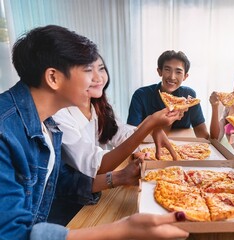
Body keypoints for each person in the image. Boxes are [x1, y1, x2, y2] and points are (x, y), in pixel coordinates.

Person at [0, 25, 188, 240]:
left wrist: (119, 177)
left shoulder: (47, 122)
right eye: (87, 71)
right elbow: (12, 234)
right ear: (53, 78)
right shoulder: (5, 132)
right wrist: (118, 231)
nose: (96, 80)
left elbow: (61, 182)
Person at [48, 55, 180, 225]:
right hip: (68, 209)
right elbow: (96, 165)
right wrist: (149, 124)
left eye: (101, 68)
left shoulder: (97, 104)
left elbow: (120, 133)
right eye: (88, 70)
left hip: (99, 193)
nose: (98, 77)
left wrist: (153, 129)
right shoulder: (59, 115)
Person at [127, 50, 209, 139]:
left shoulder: (189, 95)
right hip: (147, 148)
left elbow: (203, 136)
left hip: (183, 148)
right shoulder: (141, 95)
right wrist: (173, 114)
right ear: (159, 71)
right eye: (167, 69)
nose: (172, 77)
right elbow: (131, 136)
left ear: (185, 76)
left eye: (178, 72)